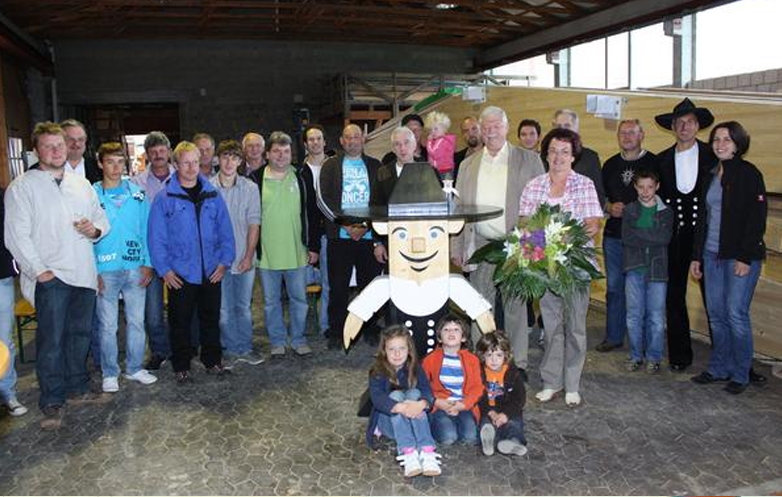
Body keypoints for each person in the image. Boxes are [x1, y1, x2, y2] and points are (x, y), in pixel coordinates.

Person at [5, 121, 111, 430]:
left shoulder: (81, 184)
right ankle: (52, 399)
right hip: (49, 277)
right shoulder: (22, 187)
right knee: (51, 340)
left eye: (60, 145)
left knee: (79, 335)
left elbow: (100, 218)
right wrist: (41, 272)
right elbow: (16, 236)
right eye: (49, 146)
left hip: (82, 272)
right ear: (36, 150)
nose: (56, 151)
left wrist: (95, 230)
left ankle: (76, 386)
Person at [451, 105, 544, 379]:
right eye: (486, 126)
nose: (491, 131)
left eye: (496, 126)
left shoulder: (528, 160)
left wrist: (535, 245)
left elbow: (541, 206)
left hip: (517, 243)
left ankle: (518, 365)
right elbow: (459, 208)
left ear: (506, 127)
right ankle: (484, 362)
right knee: (481, 306)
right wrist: (456, 246)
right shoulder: (468, 164)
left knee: (516, 308)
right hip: (479, 244)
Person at [519, 128, 602, 407]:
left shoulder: (585, 184)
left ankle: (572, 384)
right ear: (546, 153)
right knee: (552, 325)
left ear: (573, 156)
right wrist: (545, 245)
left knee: (576, 326)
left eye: (564, 151)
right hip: (545, 266)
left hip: (576, 265)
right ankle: (551, 381)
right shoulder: (534, 186)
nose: (558, 157)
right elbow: (524, 224)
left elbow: (593, 224)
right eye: (553, 151)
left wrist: (566, 240)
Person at [690, 121, 767, 395]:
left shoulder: (749, 174)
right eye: (716, 139)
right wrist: (696, 256)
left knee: (735, 314)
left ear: (738, 143)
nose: (720, 144)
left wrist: (745, 257)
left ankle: (741, 371)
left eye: (727, 139)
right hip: (711, 256)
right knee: (717, 315)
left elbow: (756, 220)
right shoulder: (711, 174)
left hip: (740, 258)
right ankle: (719, 367)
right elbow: (703, 220)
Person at [148, 141, 235, 382]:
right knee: (180, 322)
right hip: (181, 274)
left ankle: (212, 360)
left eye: (195, 162)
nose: (191, 167)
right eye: (185, 162)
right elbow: (156, 238)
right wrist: (164, 270)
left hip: (211, 270)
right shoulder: (164, 198)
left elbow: (225, 232)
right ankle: (181, 364)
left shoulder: (213, 195)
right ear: (175, 164)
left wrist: (224, 262)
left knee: (210, 319)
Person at [655, 98, 717, 373]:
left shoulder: (712, 156)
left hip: (706, 234)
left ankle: (723, 356)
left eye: (690, 122)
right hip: (675, 237)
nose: (684, 126)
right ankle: (680, 355)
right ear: (672, 126)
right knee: (674, 295)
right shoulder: (662, 160)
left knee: (714, 297)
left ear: (698, 126)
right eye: (679, 122)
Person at [250, 132, 320, 357]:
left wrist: (313, 246)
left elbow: (312, 212)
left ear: (292, 154)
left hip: (297, 252)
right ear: (267, 154)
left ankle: (298, 338)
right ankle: (277, 340)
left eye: (286, 151)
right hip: (267, 254)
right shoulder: (256, 179)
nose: (281, 156)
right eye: (277, 151)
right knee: (271, 302)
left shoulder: (301, 176)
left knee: (299, 300)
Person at [317, 124, 383, 349]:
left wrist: (365, 226)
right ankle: (337, 331)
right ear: (342, 141)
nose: (353, 141)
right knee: (338, 287)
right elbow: (323, 199)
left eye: (357, 137)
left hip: (368, 237)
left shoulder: (375, 166)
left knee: (370, 287)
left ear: (363, 140)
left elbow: (381, 201)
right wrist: (347, 225)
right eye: (348, 137)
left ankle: (371, 328)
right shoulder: (330, 165)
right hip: (340, 237)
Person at [597, 119, 659, 353]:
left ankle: (639, 341)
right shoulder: (610, 164)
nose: (627, 137)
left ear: (641, 134)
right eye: (623, 133)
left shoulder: (653, 162)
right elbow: (600, 197)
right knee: (614, 288)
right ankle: (613, 336)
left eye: (632, 132)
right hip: (613, 235)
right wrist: (609, 207)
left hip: (642, 238)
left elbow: (661, 199)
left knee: (640, 289)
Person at [210, 140, 263, 366]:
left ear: (240, 162)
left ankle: (246, 347)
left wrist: (249, 255)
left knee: (243, 307)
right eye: (225, 157)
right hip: (218, 261)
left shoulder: (250, 188)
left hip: (244, 257)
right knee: (224, 309)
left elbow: (254, 223)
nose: (229, 162)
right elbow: (207, 228)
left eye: (234, 157)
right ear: (217, 160)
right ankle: (231, 350)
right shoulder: (207, 188)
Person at [367, 325, 441, 478]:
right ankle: (408, 453)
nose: (397, 353)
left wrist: (421, 404)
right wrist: (400, 407)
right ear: (384, 351)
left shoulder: (416, 368)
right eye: (391, 349)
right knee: (395, 396)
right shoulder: (377, 372)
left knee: (415, 393)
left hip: (413, 420)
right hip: (390, 425)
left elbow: (427, 392)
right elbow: (378, 399)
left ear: (409, 350)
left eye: (402, 348)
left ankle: (427, 451)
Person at [131, 131, 175, 371]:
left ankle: (184, 346)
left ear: (168, 152)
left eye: (162, 150)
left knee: (183, 307)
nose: (158, 155)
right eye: (153, 151)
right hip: (149, 255)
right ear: (147, 154)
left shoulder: (182, 178)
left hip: (178, 254)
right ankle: (159, 350)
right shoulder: (136, 184)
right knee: (153, 312)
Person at [622, 169, 673, 373]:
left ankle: (654, 356)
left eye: (650, 187)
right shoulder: (629, 211)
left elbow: (664, 238)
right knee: (634, 315)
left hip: (657, 271)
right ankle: (636, 355)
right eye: (641, 187)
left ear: (657, 187)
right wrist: (651, 233)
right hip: (634, 268)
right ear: (635, 187)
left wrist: (640, 233)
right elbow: (627, 238)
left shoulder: (666, 212)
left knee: (656, 317)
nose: (645, 191)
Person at [421, 314, 482, 447]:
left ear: (464, 337)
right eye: (446, 330)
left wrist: (464, 405)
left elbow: (478, 387)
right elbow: (423, 386)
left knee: (470, 438)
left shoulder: (473, 360)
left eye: (456, 329)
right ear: (439, 337)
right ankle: (433, 424)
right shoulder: (430, 360)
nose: (451, 333)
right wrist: (436, 402)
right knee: (448, 438)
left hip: (463, 404)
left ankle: (458, 423)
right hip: (440, 405)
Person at [476, 331, 527, 457]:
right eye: (489, 355)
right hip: (488, 409)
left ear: (506, 355)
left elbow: (519, 398)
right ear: (482, 356)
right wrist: (491, 412)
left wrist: (506, 414)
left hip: (508, 409)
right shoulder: (478, 372)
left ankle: (513, 442)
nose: (494, 360)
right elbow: (479, 396)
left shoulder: (513, 373)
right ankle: (488, 441)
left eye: (499, 355)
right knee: (486, 424)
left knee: (514, 424)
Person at [301, 124, 331, 337]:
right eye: (311, 139)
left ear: (324, 142)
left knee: (330, 283)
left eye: (318, 138)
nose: (315, 142)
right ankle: (300, 327)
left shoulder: (334, 167)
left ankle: (325, 326)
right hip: (307, 234)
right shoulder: (299, 172)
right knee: (300, 282)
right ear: (305, 144)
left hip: (330, 232)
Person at [0, 188, 27, 417]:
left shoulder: (3, 195)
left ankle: (7, 393)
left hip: (1, 277)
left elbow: (12, 233)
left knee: (3, 340)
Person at [548, 109, 606, 207]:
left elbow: (598, 196)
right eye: (558, 126)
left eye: (567, 126)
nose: (562, 130)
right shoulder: (544, 156)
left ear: (576, 128)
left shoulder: (590, 158)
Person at [60, 119, 102, 184]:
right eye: (71, 139)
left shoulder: (99, 169)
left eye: (81, 139)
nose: (76, 143)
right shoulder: (47, 169)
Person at [424, 111, 456, 179]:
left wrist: (429, 141)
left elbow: (434, 153)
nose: (432, 132)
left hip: (444, 170)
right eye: (430, 130)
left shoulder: (443, 141)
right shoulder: (437, 141)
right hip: (439, 169)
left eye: (436, 129)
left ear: (444, 129)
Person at [453, 116, 482, 181]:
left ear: (481, 130)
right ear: (462, 135)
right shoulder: (456, 159)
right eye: (466, 131)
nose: (470, 133)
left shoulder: (494, 154)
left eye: (474, 128)